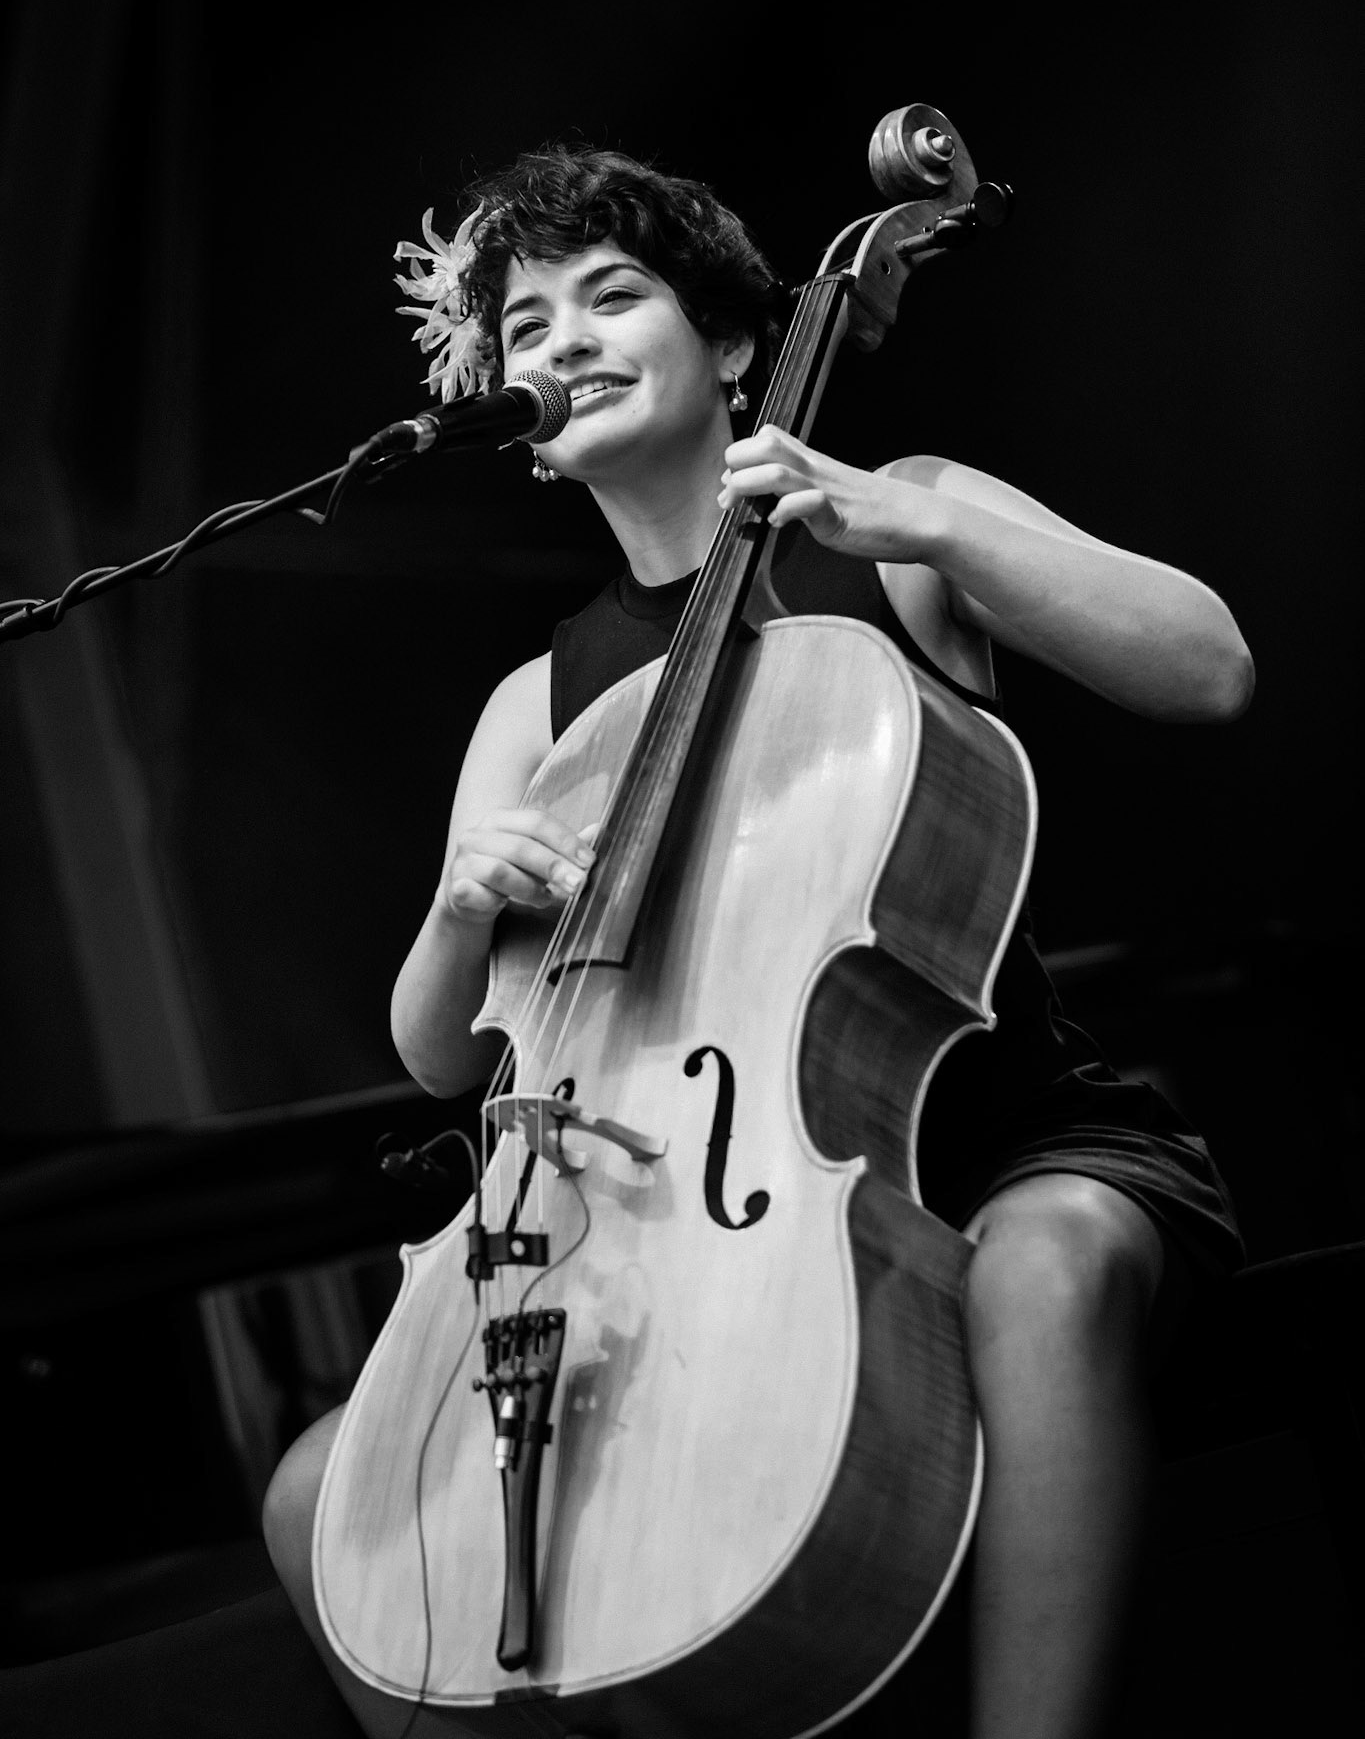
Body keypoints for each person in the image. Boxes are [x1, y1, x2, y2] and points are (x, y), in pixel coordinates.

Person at [264, 146, 1254, 1739]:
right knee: (328, 1488)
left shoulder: (900, 517)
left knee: (1047, 1269)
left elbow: (1204, 666)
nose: (562, 344)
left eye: (612, 296)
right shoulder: (535, 704)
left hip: (998, 1150)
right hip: (675, 1231)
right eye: (525, 328)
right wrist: (462, 910)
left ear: (730, 344)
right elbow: (445, 1051)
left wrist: (896, 520)